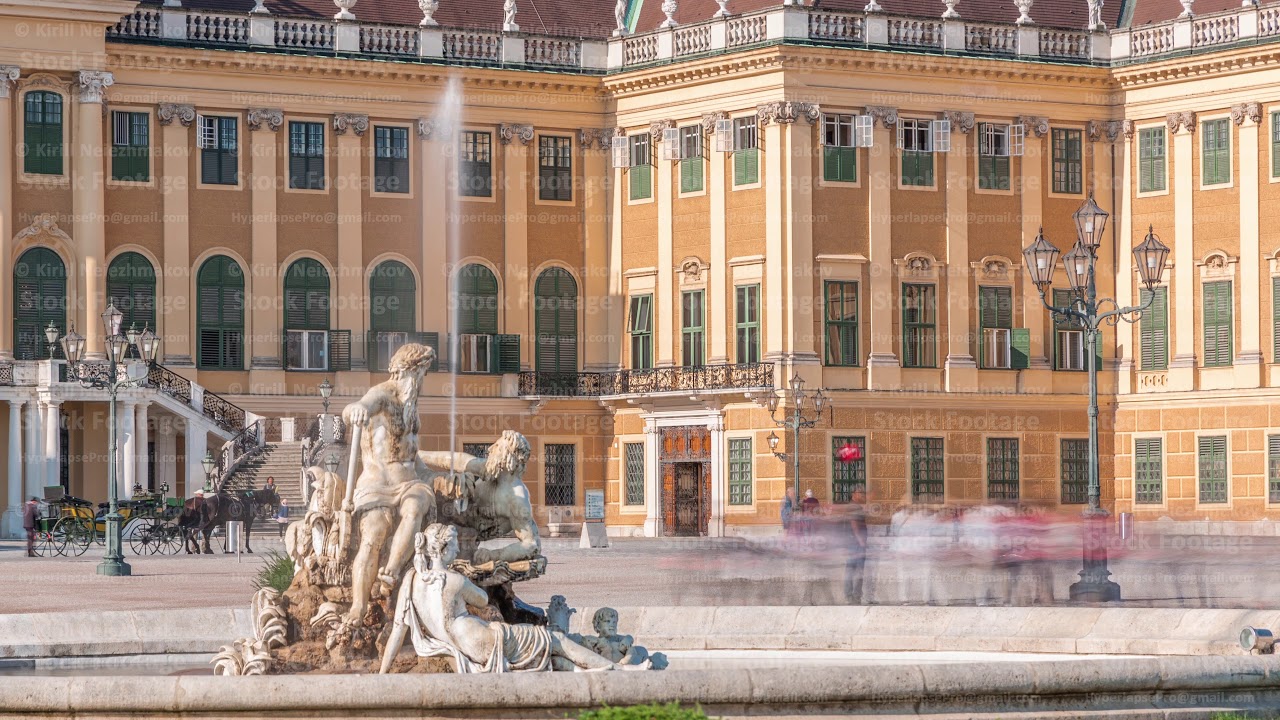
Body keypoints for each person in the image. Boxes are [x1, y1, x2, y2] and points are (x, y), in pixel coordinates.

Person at [843, 489, 869, 604]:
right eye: (860, 493)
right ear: (853, 494)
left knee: (851, 570)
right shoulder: (854, 507)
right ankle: (854, 596)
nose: (862, 495)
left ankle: (850, 595)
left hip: (852, 542)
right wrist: (861, 540)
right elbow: (854, 524)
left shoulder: (853, 506)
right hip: (856, 543)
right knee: (857, 570)